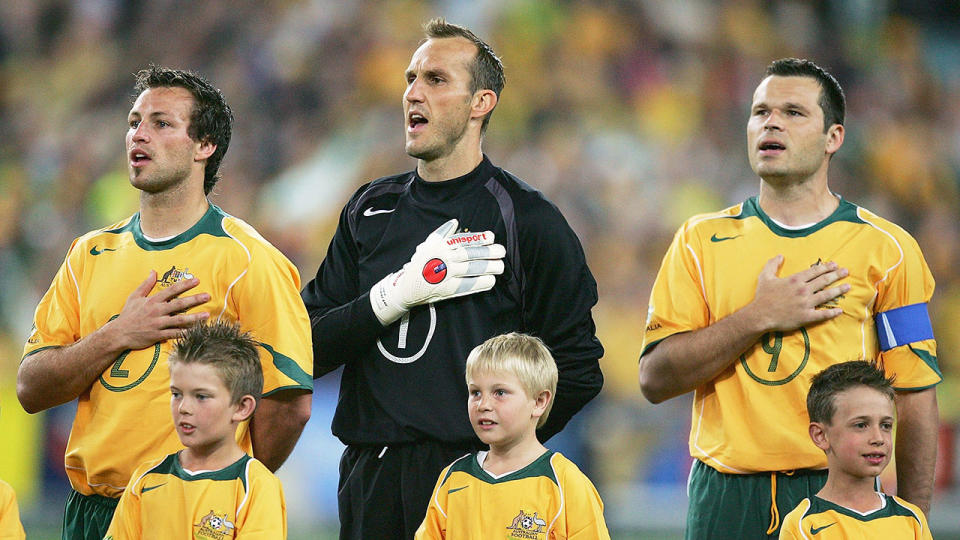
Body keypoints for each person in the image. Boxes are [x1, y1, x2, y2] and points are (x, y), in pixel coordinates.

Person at [301, 18, 604, 540]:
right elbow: (305, 345)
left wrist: (505, 451)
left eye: (435, 79)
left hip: (479, 482)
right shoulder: (369, 208)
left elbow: (576, 368)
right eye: (410, 78)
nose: (413, 93)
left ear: (480, 102)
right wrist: (393, 296)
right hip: (370, 477)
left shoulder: (528, 220)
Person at [637, 58, 940, 539]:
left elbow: (915, 393)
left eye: (794, 112)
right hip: (725, 497)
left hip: (838, 493)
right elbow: (654, 379)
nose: (770, 122)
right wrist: (757, 317)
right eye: (760, 112)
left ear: (833, 138)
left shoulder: (889, 250)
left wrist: (915, 519)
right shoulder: (699, 240)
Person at [17, 66, 312, 540]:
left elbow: (288, 402)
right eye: (134, 122)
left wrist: (220, 486)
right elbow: (31, 387)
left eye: (161, 123)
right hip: (89, 512)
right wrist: (117, 334)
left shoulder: (249, 260)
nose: (139, 134)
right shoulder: (88, 254)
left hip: (185, 512)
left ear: (204, 146)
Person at [414, 333, 610, 539]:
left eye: (499, 392)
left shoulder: (566, 483)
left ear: (539, 402)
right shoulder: (453, 478)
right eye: (475, 393)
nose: (483, 405)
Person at [104, 321, 286, 539]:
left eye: (201, 396)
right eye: (176, 394)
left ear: (241, 407)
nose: (184, 408)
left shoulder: (257, 486)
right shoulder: (146, 479)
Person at [778, 361, 932, 539]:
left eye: (886, 425)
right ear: (820, 435)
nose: (878, 438)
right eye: (861, 425)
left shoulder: (911, 520)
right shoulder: (803, 526)